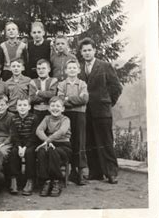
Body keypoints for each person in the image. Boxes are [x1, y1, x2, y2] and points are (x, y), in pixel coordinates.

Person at [78, 37, 122, 184]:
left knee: (106, 142)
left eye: (89, 50)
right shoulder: (79, 69)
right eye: (84, 51)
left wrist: (108, 102)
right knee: (90, 142)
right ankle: (95, 173)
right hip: (86, 111)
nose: (87, 53)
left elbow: (116, 87)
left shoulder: (104, 66)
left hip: (102, 111)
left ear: (94, 50)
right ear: (81, 53)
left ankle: (112, 173)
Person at [57, 59, 89, 186]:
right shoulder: (62, 84)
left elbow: (84, 99)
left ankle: (80, 172)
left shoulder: (82, 84)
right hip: (66, 115)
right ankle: (70, 172)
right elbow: (60, 100)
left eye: (74, 68)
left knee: (79, 141)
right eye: (69, 68)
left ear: (78, 70)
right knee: (67, 141)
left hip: (80, 115)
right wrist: (74, 99)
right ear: (65, 70)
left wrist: (67, 99)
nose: (72, 70)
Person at [35, 96, 72, 197]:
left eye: (58, 106)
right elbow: (39, 130)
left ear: (62, 109)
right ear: (49, 108)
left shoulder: (65, 119)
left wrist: (48, 140)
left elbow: (62, 131)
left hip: (64, 146)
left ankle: (56, 181)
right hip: (49, 143)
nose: (55, 108)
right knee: (41, 152)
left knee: (52, 151)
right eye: (52, 106)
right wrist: (47, 142)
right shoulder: (47, 118)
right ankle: (46, 181)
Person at [8, 97, 39, 195]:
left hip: (31, 143)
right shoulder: (13, 118)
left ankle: (30, 180)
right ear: (16, 107)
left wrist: (25, 147)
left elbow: (34, 135)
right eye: (20, 105)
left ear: (29, 107)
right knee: (13, 152)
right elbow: (14, 135)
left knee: (30, 153)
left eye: (25, 105)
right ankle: (14, 180)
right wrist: (19, 147)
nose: (22, 107)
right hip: (18, 143)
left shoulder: (34, 118)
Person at [29, 59, 58, 126]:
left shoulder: (53, 80)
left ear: (49, 69)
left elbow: (53, 95)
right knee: (37, 129)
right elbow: (32, 98)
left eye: (43, 68)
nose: (41, 70)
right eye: (38, 69)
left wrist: (39, 93)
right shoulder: (33, 82)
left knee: (49, 129)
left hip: (50, 110)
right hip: (36, 110)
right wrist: (47, 97)